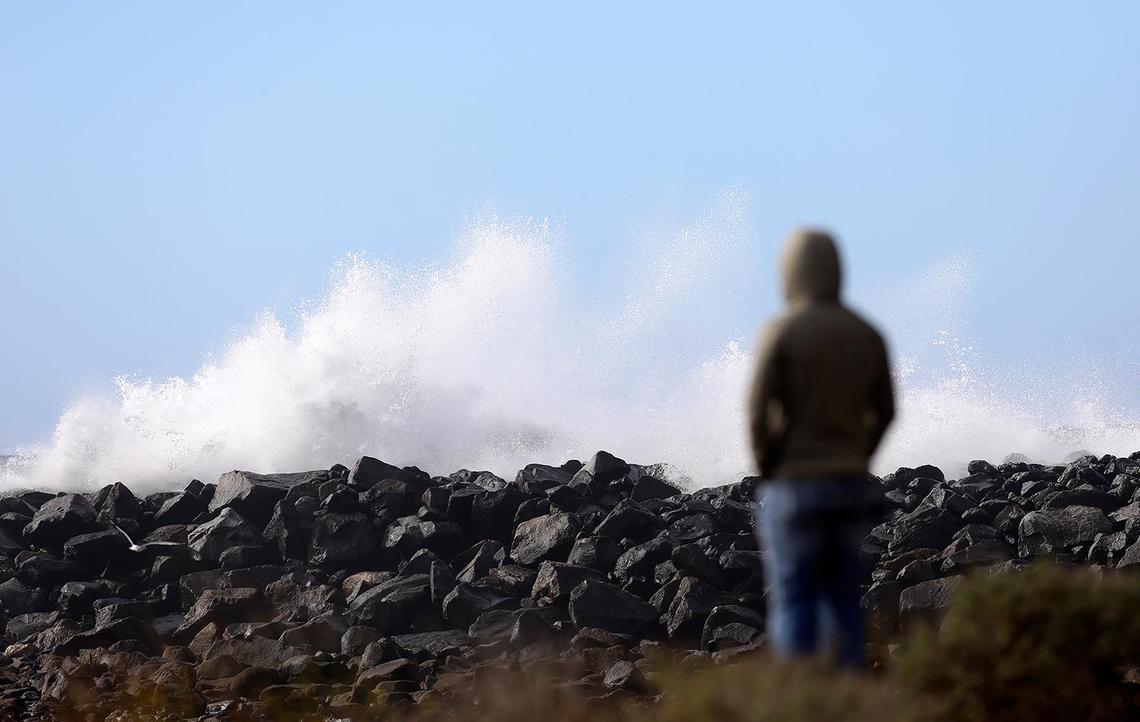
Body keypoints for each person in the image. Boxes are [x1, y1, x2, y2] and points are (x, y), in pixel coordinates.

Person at [748, 228, 894, 668]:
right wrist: (860, 456)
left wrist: (769, 464)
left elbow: (758, 411)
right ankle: (846, 700)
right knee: (844, 601)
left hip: (794, 484)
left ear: (790, 273)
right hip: (849, 484)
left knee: (795, 600)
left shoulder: (782, 330)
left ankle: (800, 703)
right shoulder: (866, 332)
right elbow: (885, 410)